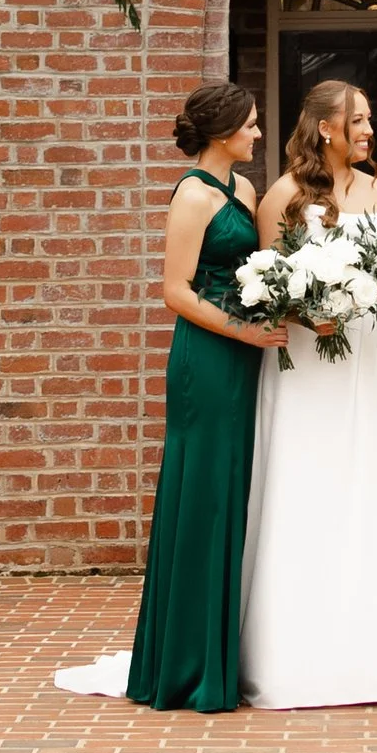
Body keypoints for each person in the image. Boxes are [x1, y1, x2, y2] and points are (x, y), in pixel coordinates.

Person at [240, 78, 377, 708]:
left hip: (366, 357)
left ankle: (373, 658)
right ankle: (292, 657)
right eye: (359, 120)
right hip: (307, 362)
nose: (371, 131)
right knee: (304, 484)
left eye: (371, 121)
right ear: (326, 126)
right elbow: (264, 286)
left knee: (365, 484)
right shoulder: (284, 196)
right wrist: (306, 314)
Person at [121, 81, 278, 710]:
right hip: (207, 359)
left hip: (243, 355)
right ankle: (187, 663)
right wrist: (244, 329)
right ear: (222, 133)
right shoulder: (192, 195)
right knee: (204, 496)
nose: (258, 135)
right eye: (251, 126)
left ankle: (223, 652)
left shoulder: (242, 190)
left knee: (233, 490)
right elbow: (176, 291)